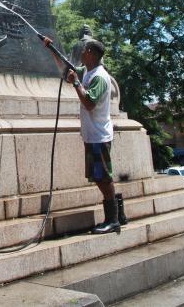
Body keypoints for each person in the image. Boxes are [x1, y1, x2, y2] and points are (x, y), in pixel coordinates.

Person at [66, 40, 122, 234]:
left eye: (83, 50)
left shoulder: (99, 77)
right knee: (100, 176)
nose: (81, 53)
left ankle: (113, 220)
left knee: (103, 178)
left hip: (99, 136)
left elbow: (89, 103)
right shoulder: (87, 72)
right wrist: (49, 47)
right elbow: (69, 69)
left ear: (90, 53)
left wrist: (75, 83)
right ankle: (118, 213)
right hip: (92, 136)